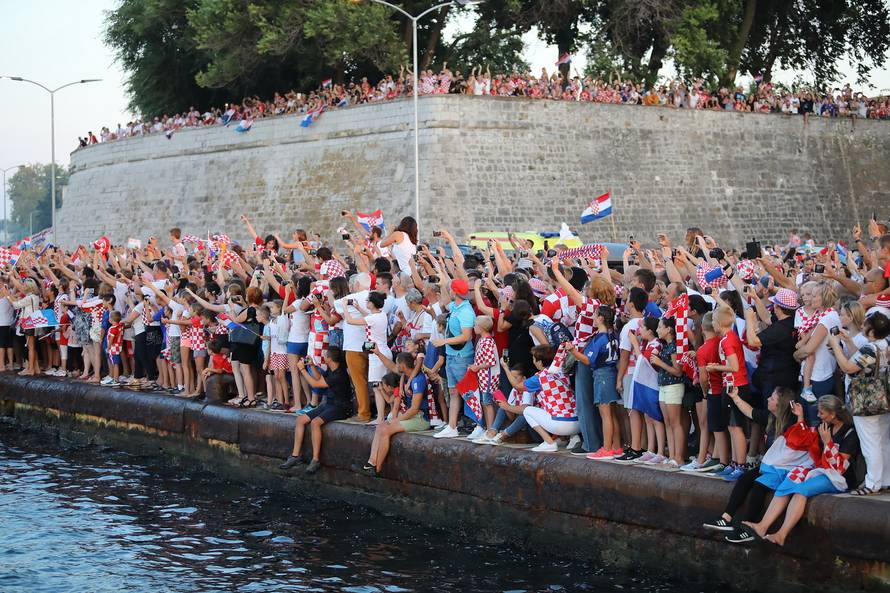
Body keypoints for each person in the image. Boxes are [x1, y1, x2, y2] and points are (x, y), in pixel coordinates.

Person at [742, 395, 861, 546]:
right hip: (821, 469)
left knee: (801, 490)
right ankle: (762, 526)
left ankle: (781, 534)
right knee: (789, 480)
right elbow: (803, 440)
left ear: (833, 414)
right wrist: (800, 417)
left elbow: (839, 467)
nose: (818, 416)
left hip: (839, 478)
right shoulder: (825, 427)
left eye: (821, 413)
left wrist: (828, 443)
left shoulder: (850, 433)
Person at [827, 310, 890, 494]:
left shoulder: (870, 349)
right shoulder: (885, 344)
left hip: (866, 402)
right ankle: (885, 480)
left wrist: (835, 346)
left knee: (870, 443)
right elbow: (866, 362)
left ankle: (872, 484)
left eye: (865, 325)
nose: (862, 326)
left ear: (871, 332)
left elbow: (848, 367)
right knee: (883, 441)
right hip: (883, 399)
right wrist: (848, 341)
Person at [279, 347, 354, 475]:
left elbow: (315, 384)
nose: (323, 357)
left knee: (315, 423)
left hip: (341, 407)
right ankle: (296, 455)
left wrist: (302, 369)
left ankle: (315, 459)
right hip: (329, 403)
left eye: (325, 355)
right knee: (301, 420)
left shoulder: (339, 374)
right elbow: (320, 378)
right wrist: (312, 366)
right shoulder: (332, 369)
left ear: (329, 359)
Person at [567, 305, 622, 459]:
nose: (593, 318)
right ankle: (616, 447)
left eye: (595, 315)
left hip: (601, 376)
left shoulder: (599, 338)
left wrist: (573, 351)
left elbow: (587, 360)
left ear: (601, 318)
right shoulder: (614, 335)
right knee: (612, 414)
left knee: (605, 415)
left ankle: (606, 448)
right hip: (611, 373)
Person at [432, 278, 476, 439]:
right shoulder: (456, 306)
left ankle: (478, 424)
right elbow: (445, 302)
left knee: (467, 391)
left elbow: (466, 336)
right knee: (453, 391)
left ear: (455, 292)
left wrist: (444, 341)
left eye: (451, 289)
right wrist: (442, 283)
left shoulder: (465, 311)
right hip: (452, 356)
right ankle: (452, 426)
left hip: (462, 357)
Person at [521, 344, 580, 452]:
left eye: (534, 359)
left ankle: (549, 443)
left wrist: (506, 368)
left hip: (560, 425)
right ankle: (573, 438)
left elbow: (517, 386)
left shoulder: (539, 377)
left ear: (539, 361)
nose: (533, 361)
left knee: (527, 410)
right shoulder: (563, 370)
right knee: (561, 405)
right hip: (578, 424)